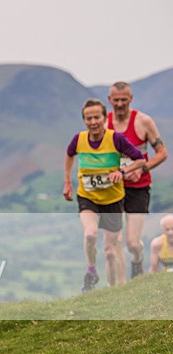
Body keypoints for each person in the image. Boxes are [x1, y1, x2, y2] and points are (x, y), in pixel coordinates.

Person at [64, 98, 145, 291]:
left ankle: (111, 290)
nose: (93, 122)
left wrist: (122, 172)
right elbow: (69, 155)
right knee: (90, 234)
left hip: (113, 201)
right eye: (88, 118)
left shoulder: (116, 139)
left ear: (104, 118)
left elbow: (140, 160)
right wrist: (67, 181)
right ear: (84, 120)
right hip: (88, 197)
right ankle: (91, 272)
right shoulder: (79, 139)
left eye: (96, 118)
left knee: (110, 252)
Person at [107, 81, 168, 277]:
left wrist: (142, 170)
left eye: (123, 100)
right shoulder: (104, 123)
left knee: (132, 242)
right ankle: (121, 286)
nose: (119, 104)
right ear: (109, 100)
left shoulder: (143, 122)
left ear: (131, 99)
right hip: (113, 188)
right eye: (115, 100)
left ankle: (137, 256)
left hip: (138, 187)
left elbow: (162, 153)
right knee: (113, 241)